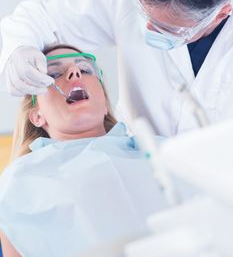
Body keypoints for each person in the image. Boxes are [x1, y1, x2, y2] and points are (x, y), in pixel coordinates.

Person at [1, 0, 233, 136]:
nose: (148, 28)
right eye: (143, 13)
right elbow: (40, 16)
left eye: (166, 28)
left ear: (222, 13)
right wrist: (19, 49)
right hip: (139, 156)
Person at [0, 44, 167, 257]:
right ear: (36, 116)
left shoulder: (161, 150)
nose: (75, 72)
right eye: (54, 73)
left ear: (106, 104)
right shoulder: (19, 183)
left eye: (86, 69)